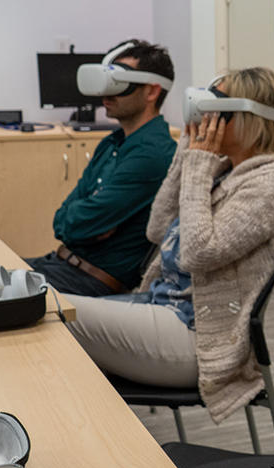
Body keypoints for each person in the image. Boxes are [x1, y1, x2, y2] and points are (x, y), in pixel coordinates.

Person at [64, 67, 274, 422]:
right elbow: (156, 228)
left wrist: (199, 164)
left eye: (215, 110)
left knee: (51, 311)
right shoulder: (227, 169)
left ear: (248, 119)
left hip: (196, 339)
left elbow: (198, 253)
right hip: (162, 308)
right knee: (43, 306)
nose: (204, 117)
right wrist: (187, 152)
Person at [26, 39, 177, 295]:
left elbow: (80, 222)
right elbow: (64, 220)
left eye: (118, 83)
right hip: (60, 263)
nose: (106, 94)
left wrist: (79, 222)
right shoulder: (112, 143)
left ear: (152, 92)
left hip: (89, 281)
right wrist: (78, 223)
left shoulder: (153, 155)